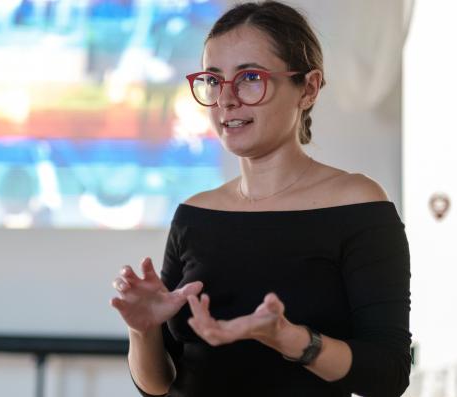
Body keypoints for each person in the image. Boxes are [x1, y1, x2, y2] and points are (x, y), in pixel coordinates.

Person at [109, 1, 411, 396]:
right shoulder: (195, 214)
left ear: (309, 87)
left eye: (250, 77)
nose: (226, 99)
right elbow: (158, 384)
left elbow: (388, 375)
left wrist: (292, 339)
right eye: (214, 81)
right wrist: (142, 328)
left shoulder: (358, 204)